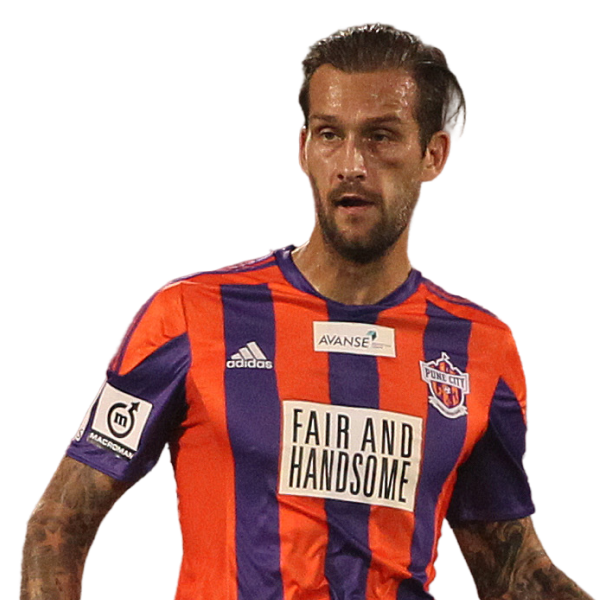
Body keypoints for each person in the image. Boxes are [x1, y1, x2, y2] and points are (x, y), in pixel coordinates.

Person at [19, 22, 593, 600]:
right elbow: (56, 528)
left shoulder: (481, 348)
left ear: (434, 154)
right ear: (302, 149)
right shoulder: (188, 315)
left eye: (381, 136)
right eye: (330, 134)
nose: (351, 164)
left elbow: (513, 575)